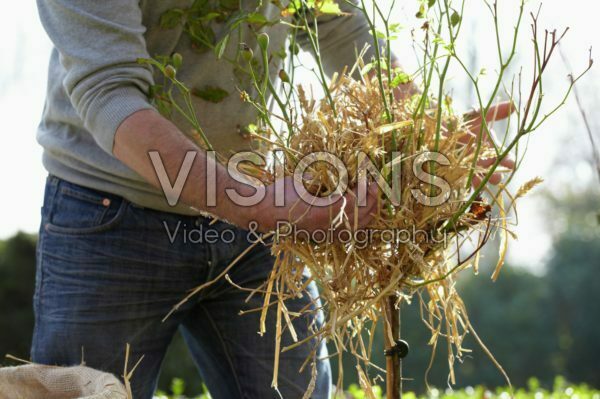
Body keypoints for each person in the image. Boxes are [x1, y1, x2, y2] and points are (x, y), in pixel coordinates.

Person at [32, 1, 512, 398]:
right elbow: (109, 93)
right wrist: (261, 204)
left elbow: (343, 33)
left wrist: (420, 133)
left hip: (262, 214)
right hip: (110, 216)